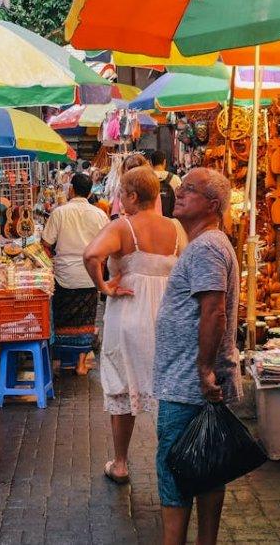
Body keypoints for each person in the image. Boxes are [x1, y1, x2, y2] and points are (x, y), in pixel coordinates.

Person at [83, 166, 186, 485]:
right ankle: (170, 460)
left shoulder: (122, 226)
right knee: (165, 389)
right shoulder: (176, 227)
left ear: (132, 195)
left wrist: (103, 286)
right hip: (167, 317)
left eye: (121, 193)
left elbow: (90, 255)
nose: (118, 199)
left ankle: (121, 463)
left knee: (122, 387)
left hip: (128, 315)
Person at [154, 168, 241, 545]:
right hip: (191, 382)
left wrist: (204, 371)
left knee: (174, 470)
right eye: (182, 186)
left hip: (188, 385)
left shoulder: (206, 246)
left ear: (213, 204)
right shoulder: (208, 243)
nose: (181, 192)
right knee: (207, 469)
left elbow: (214, 310)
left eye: (192, 189)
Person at [42, 173, 110, 374]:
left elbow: (46, 243)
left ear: (71, 189)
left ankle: (65, 361)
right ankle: (81, 363)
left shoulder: (59, 213)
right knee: (86, 320)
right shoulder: (99, 215)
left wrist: (50, 262)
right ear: (90, 192)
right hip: (89, 274)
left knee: (63, 320)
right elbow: (106, 246)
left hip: (64, 274)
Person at [149, 150, 181, 219]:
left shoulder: (145, 179)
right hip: (170, 221)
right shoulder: (175, 179)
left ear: (150, 163)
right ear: (164, 162)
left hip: (151, 220)